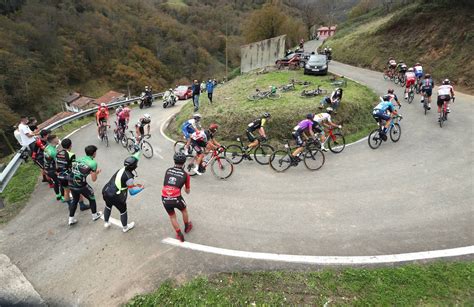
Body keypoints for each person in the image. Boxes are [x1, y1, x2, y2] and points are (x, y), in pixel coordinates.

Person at [102, 152, 143, 233]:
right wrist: (141, 188)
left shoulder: (121, 170)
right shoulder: (129, 177)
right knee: (123, 210)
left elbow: (121, 181)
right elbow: (132, 192)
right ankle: (125, 227)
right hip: (117, 196)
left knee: (108, 206)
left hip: (107, 191)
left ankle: (106, 222)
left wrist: (133, 185)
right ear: (134, 166)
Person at [161, 152, 193, 242]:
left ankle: (179, 234)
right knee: (184, 210)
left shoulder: (168, 170)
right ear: (184, 162)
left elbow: (167, 183)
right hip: (176, 198)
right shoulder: (186, 175)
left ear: (174, 160)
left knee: (172, 217)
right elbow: (187, 191)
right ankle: (187, 227)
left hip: (165, 197)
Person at [68, 145, 102, 226]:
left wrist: (90, 172)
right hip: (81, 184)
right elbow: (94, 179)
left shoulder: (79, 159)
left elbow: (79, 170)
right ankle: (94, 215)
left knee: (75, 200)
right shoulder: (93, 163)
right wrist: (96, 173)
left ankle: (71, 219)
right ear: (94, 153)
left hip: (71, 182)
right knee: (92, 197)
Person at [56, 138, 90, 211]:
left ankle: (70, 206)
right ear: (70, 145)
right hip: (68, 176)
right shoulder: (71, 154)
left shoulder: (58, 153)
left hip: (60, 175)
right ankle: (82, 205)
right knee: (78, 190)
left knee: (66, 190)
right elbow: (74, 166)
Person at [43, 134, 63, 201]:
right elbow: (57, 164)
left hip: (47, 169)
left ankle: (58, 195)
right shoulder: (52, 152)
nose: (58, 139)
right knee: (61, 181)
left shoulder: (48, 147)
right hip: (52, 169)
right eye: (57, 138)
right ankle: (63, 196)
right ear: (53, 140)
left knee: (56, 182)